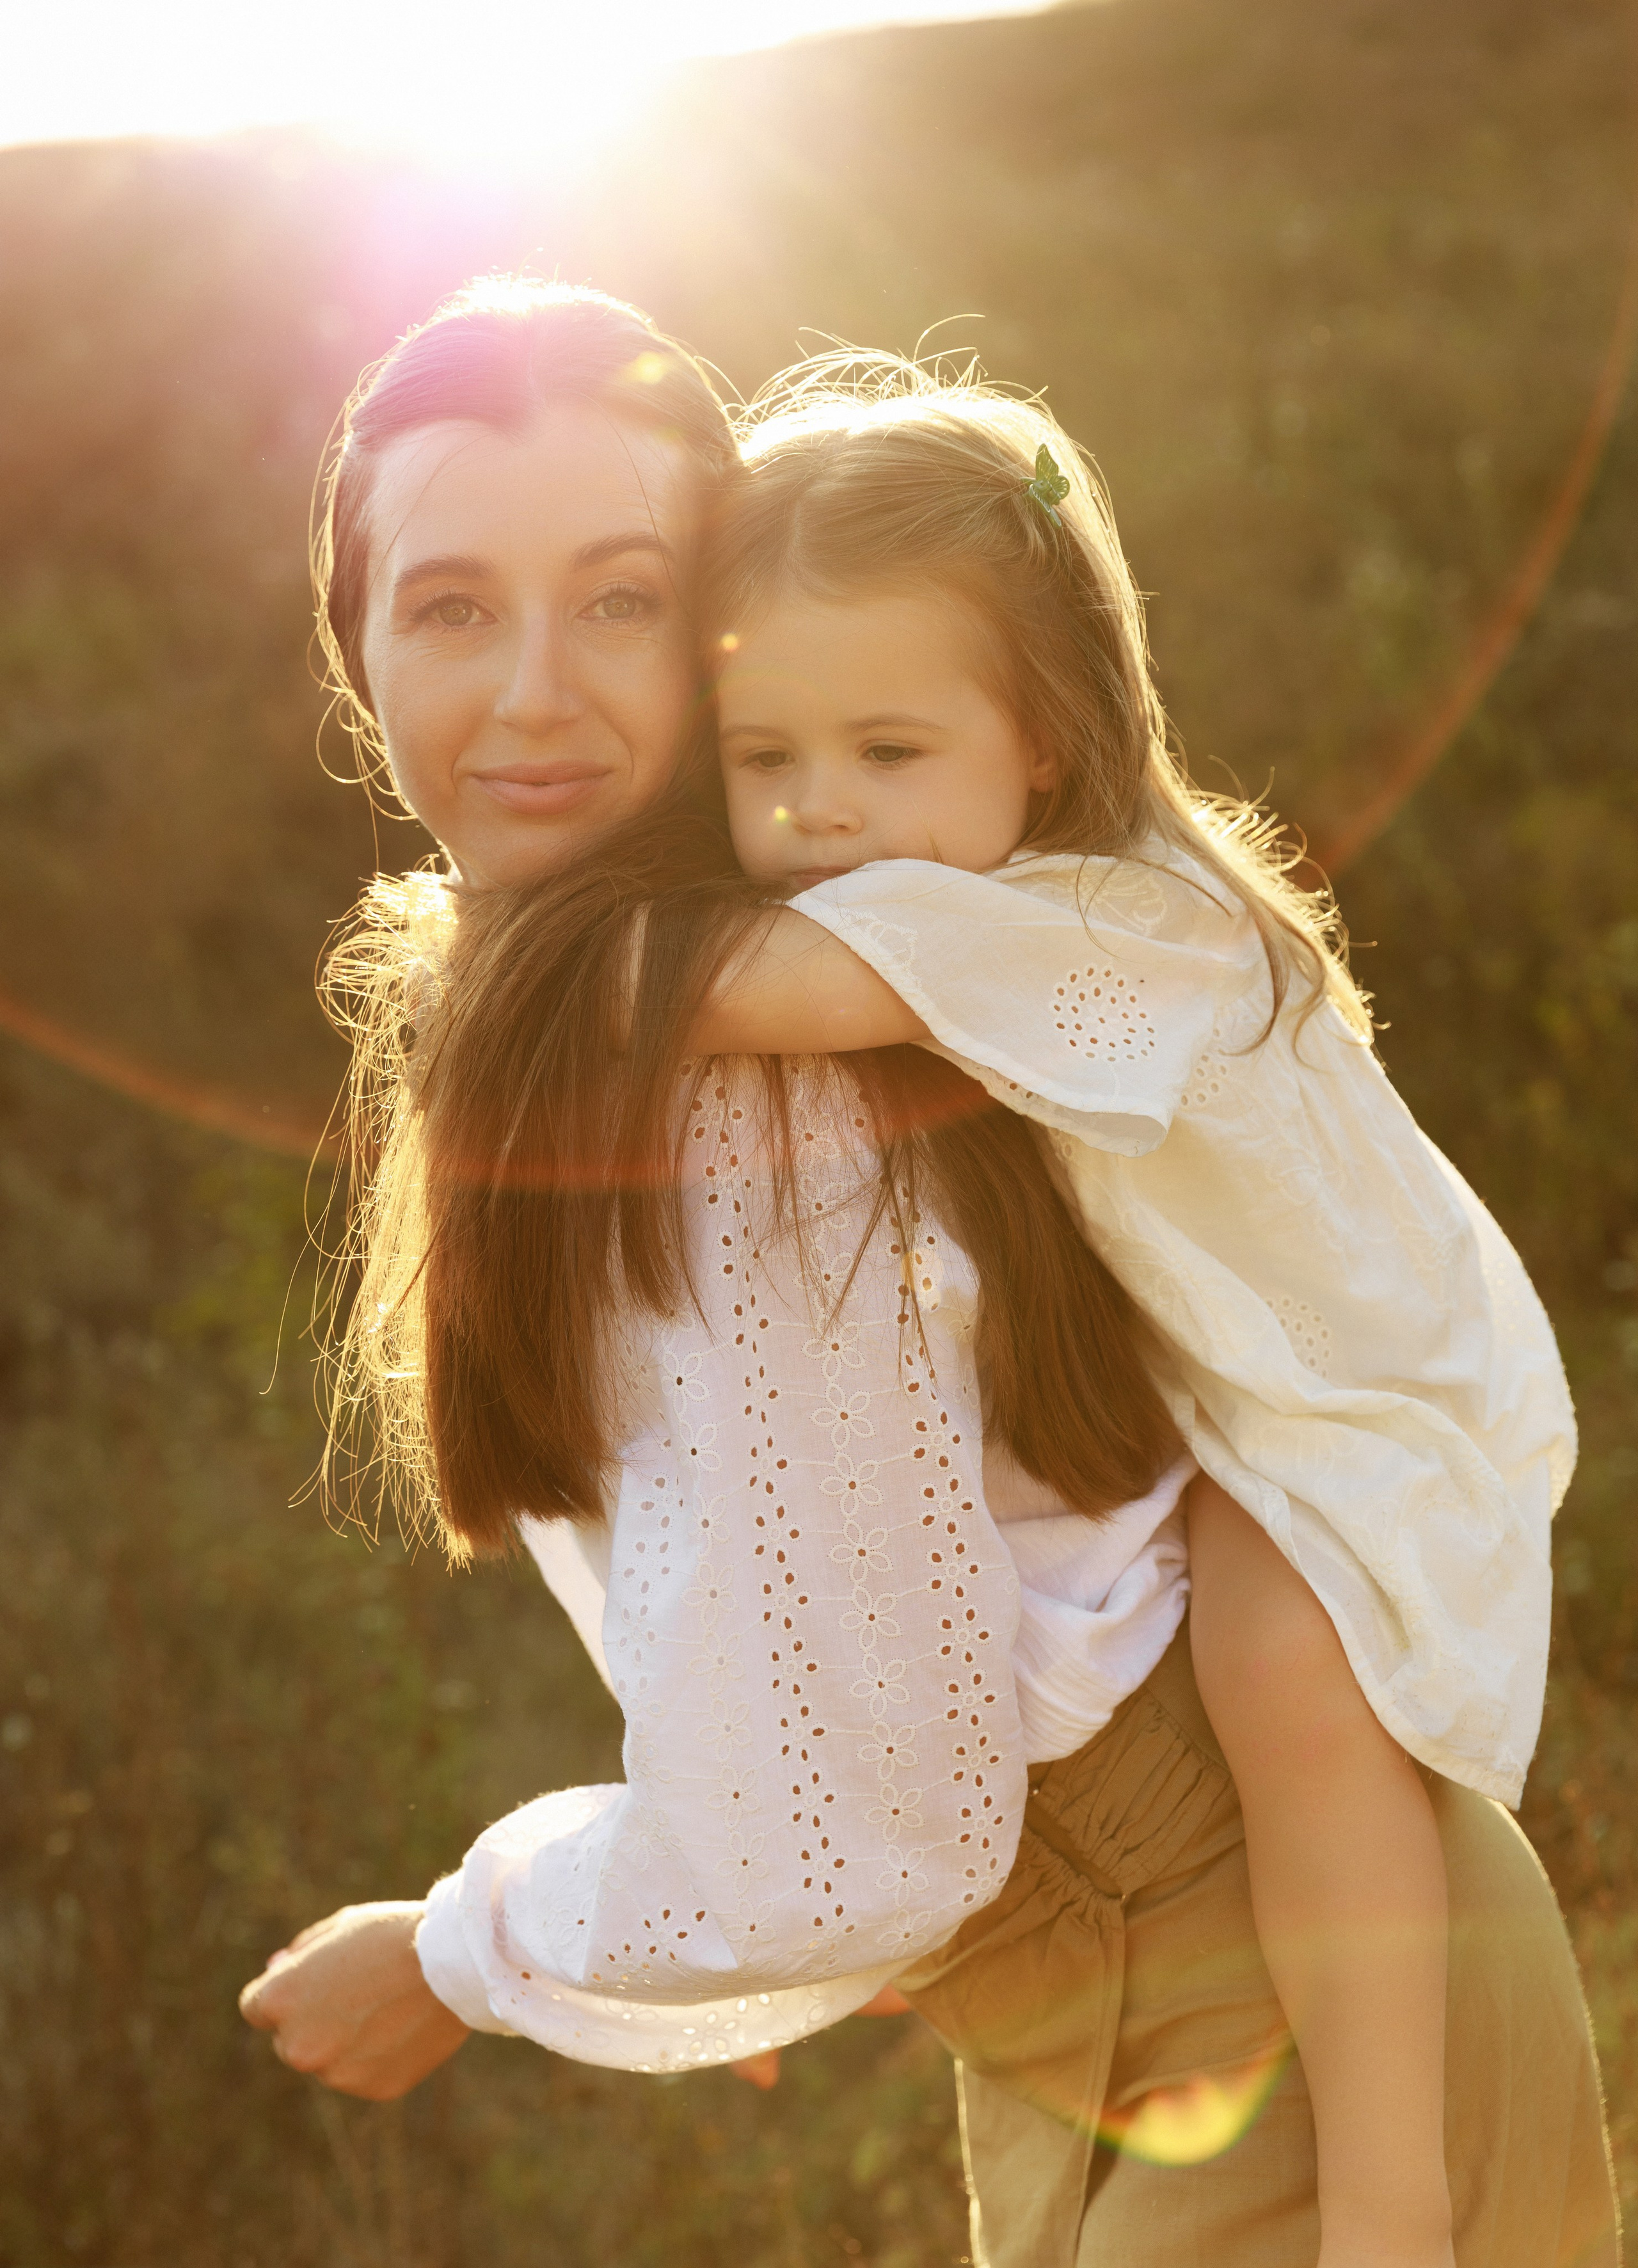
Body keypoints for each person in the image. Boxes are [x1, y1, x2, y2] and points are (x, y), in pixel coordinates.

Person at [240, 302, 1617, 2268]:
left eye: (619, 602)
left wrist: (458, 1950)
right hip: (1085, 2026)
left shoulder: (744, 1057)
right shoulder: (647, 990)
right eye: (452, 607)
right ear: (353, 647)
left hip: (1280, 1993)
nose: (535, 692)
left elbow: (838, 1858)